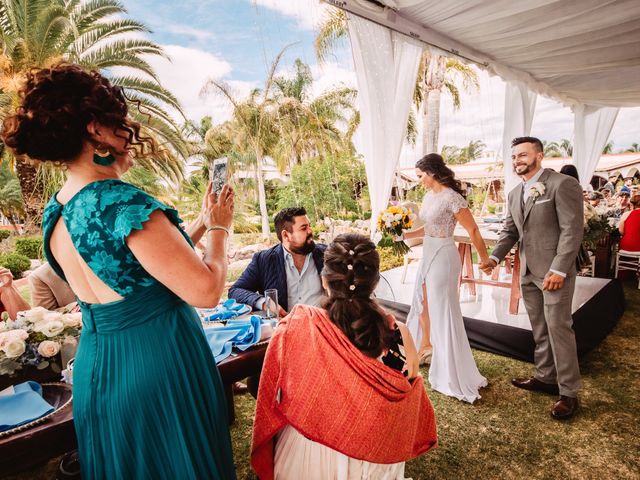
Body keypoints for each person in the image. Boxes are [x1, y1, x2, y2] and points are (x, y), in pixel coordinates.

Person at [2, 64, 236, 478]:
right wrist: (218, 227)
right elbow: (206, 290)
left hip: (99, 367)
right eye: (120, 121)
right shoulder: (122, 203)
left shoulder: (58, 211)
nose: (129, 128)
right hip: (159, 362)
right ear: (96, 129)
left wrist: (199, 222)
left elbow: (130, 264)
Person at [251, 234, 437, 480]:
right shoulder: (400, 335)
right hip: (375, 460)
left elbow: (272, 392)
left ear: (324, 280)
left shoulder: (297, 326)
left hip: (310, 454)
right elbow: (409, 398)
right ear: (374, 282)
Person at [480, 136, 583, 420]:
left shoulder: (562, 184)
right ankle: (545, 377)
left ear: (539, 155)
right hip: (527, 271)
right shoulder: (515, 193)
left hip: (554, 273)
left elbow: (572, 230)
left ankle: (569, 393)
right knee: (539, 328)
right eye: (514, 157)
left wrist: (560, 269)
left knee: (559, 329)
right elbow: (510, 232)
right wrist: (494, 257)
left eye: (523, 155)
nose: (517, 161)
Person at [401, 153, 489, 403]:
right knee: (423, 303)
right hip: (428, 251)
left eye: (420, 176)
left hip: (444, 255)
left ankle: (451, 366)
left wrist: (484, 260)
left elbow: (472, 229)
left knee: (443, 308)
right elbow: (427, 227)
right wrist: (404, 235)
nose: (419, 181)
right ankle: (426, 346)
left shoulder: (453, 197)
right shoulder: (429, 197)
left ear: (431, 172)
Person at [229, 207, 326, 316]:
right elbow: (236, 290)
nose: (310, 231)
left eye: (309, 226)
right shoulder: (263, 260)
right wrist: (265, 303)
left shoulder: (326, 255)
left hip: (322, 327)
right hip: (284, 328)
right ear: (286, 235)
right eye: (304, 228)